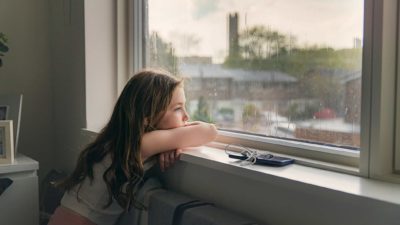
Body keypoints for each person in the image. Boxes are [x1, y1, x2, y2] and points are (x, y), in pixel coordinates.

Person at [48, 69, 217, 225]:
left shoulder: (119, 140)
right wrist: (173, 140)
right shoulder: (139, 144)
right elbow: (209, 132)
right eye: (178, 108)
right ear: (147, 118)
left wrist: (171, 143)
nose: (186, 116)